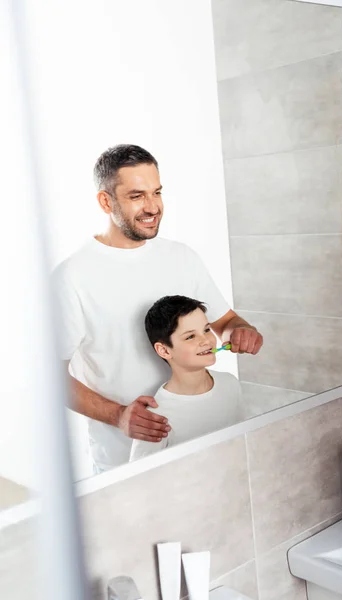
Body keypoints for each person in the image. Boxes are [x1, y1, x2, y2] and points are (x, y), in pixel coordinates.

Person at [53, 144, 263, 472]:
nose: (153, 207)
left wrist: (242, 331)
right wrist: (118, 415)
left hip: (205, 453)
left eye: (157, 192)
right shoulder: (73, 277)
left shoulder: (182, 257)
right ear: (106, 201)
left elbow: (227, 321)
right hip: (125, 465)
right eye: (137, 196)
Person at [130, 296, 243, 461]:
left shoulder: (230, 384)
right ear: (164, 350)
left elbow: (243, 443)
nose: (206, 340)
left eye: (206, 330)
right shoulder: (156, 416)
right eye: (190, 337)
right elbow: (140, 480)